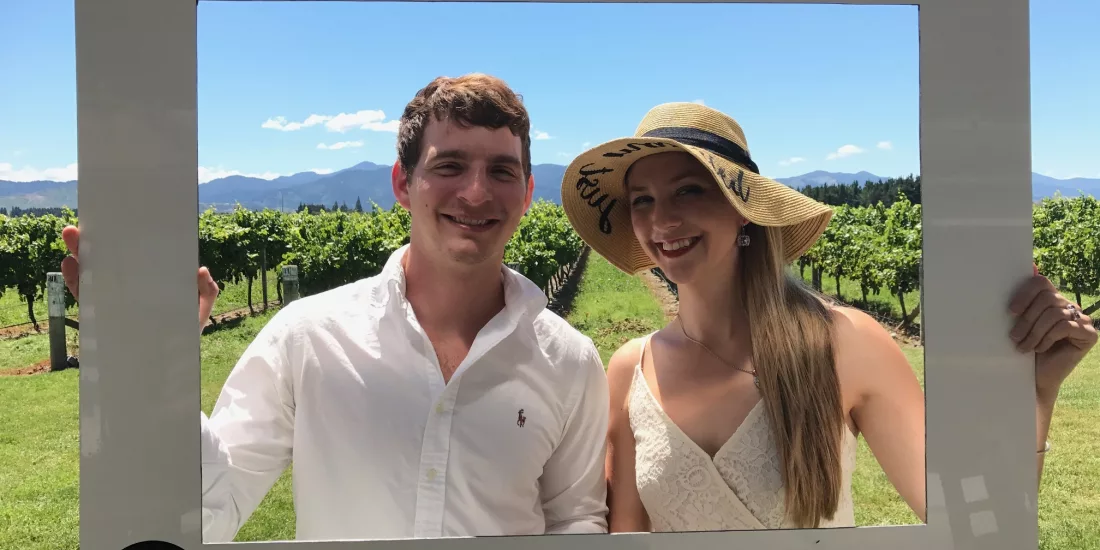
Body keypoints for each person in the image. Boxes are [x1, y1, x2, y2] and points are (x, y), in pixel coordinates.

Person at [59, 73, 610, 542]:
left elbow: (576, 522)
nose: (475, 193)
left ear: (527, 192)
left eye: (501, 171)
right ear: (403, 183)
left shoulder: (570, 362)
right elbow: (210, 509)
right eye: (449, 166)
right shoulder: (306, 337)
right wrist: (151, 366)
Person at [557, 101, 1097, 532]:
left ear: (744, 211)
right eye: (642, 200)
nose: (662, 220)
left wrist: (1036, 394)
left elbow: (973, 519)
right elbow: (626, 537)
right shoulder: (630, 371)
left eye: (689, 190)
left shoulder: (844, 344)